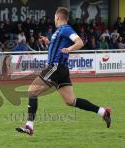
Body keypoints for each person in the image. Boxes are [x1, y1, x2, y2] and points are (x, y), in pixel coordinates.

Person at [16, 7, 112, 136]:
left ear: (58, 17)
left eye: (55, 18)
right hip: (62, 70)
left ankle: (29, 126)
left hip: (55, 67)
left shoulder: (65, 29)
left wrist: (69, 49)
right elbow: (57, 47)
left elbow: (80, 42)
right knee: (70, 101)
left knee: (32, 90)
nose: (54, 20)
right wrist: (48, 42)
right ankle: (103, 112)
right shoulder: (59, 32)